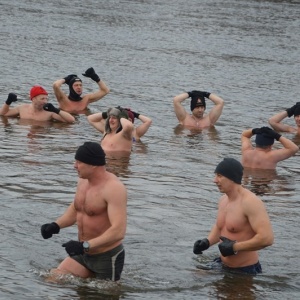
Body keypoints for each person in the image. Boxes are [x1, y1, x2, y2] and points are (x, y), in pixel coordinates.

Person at [40, 142, 127, 281]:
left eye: (79, 162)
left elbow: (119, 231)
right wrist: (56, 225)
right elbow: (77, 208)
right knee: (52, 279)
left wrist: (84, 245)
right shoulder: (83, 181)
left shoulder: (114, 188)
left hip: (106, 256)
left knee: (102, 295)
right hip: (84, 252)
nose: (75, 166)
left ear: (93, 164)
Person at [193, 158, 274, 275]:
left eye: (219, 176)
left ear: (232, 178)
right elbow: (220, 227)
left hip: (245, 269)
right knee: (194, 276)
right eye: (215, 175)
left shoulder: (250, 202)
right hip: (222, 263)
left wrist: (235, 247)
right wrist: (207, 242)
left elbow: (267, 238)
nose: (215, 180)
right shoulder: (223, 200)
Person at [0, 86, 75, 123]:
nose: (45, 101)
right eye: (42, 99)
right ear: (33, 99)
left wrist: (56, 110)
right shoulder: (22, 108)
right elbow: (3, 114)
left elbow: (71, 120)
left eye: (46, 99)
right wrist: (8, 102)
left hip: (41, 134)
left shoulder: (49, 113)